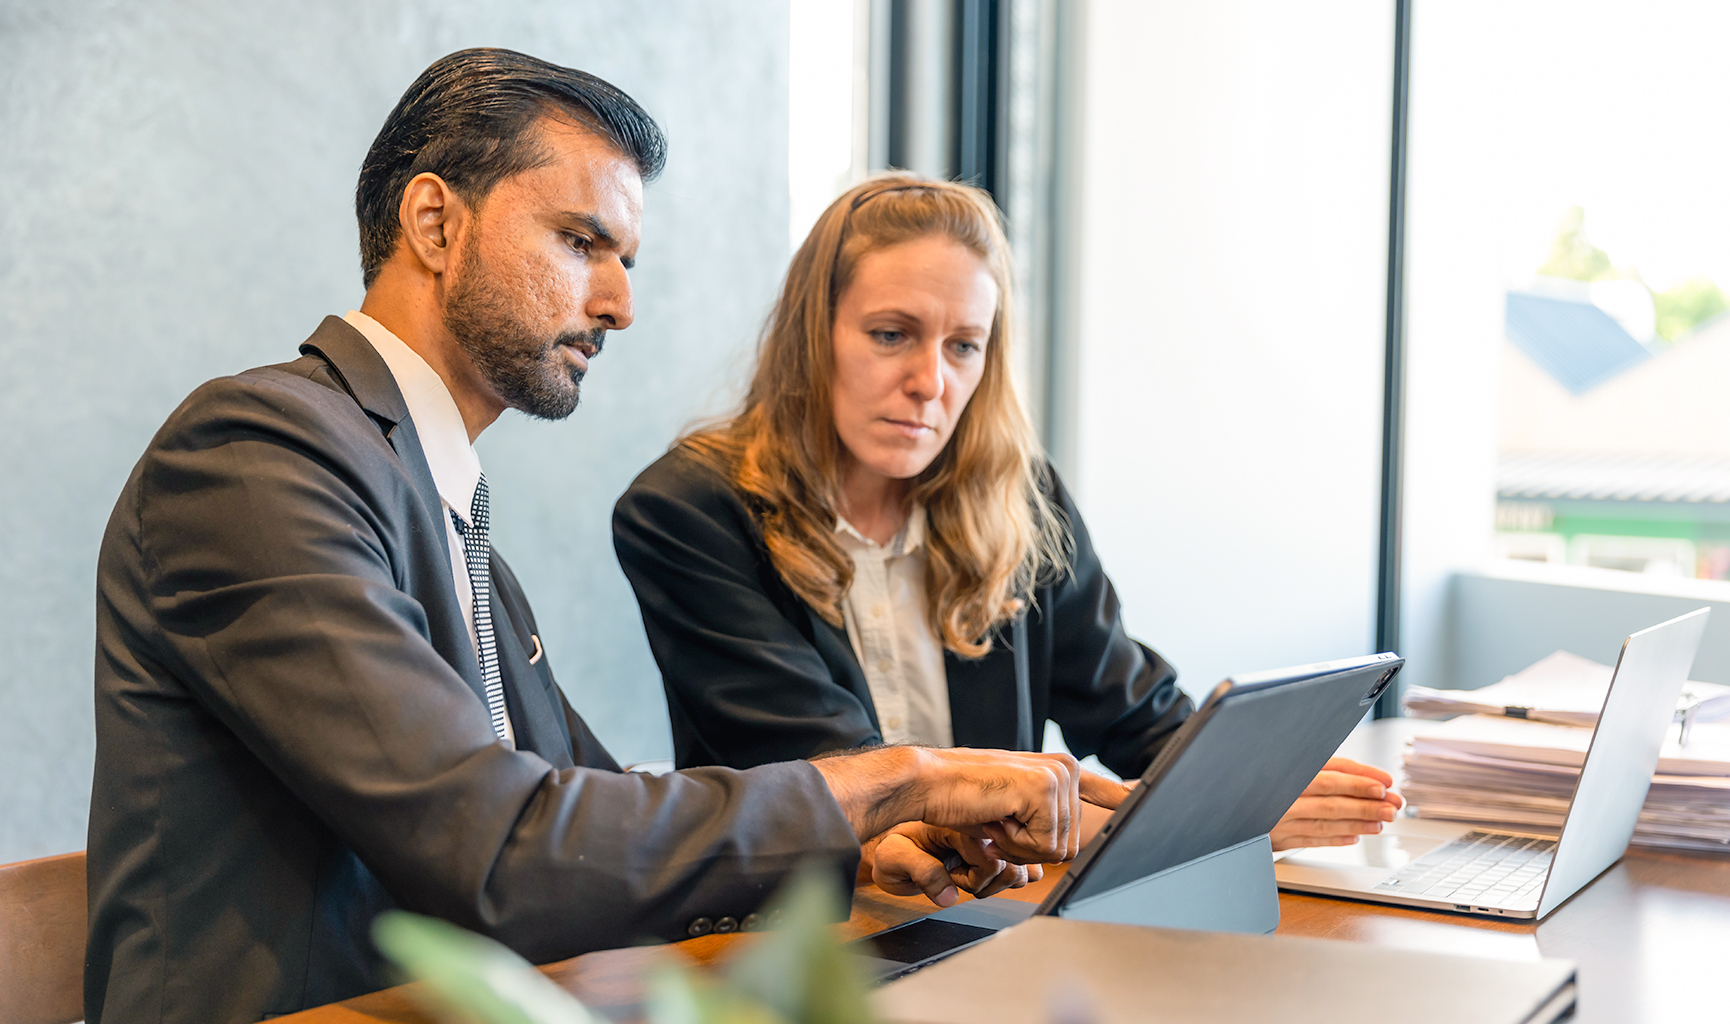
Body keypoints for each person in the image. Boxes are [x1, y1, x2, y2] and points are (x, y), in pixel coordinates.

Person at [85, 50, 1124, 1024]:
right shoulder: (257, 452)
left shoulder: (439, 502)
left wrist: (848, 849)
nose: (618, 303)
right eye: (581, 243)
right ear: (436, 224)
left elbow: (591, 812)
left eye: (624, 259)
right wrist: (895, 777)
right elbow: (501, 848)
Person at [612, 175, 1404, 888]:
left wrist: (1242, 786)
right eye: (891, 334)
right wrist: (1151, 820)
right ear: (811, 337)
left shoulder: (1020, 498)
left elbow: (1134, 714)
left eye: (964, 346)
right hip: (805, 935)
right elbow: (844, 772)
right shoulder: (688, 511)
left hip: (996, 911)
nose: (931, 383)